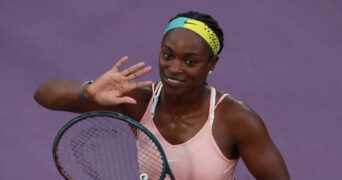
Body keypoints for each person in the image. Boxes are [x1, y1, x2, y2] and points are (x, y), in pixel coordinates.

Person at [34, 11, 290, 179]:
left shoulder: (235, 118)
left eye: (190, 61)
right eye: (168, 56)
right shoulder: (138, 101)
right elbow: (43, 94)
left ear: (212, 64)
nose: (174, 68)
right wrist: (87, 92)